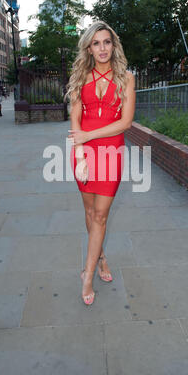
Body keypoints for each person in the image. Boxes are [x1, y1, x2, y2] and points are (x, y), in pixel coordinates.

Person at [67, 21, 136, 306]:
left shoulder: (127, 78)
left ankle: (88, 274)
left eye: (106, 42)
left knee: (101, 215)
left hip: (110, 151)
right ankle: (102, 258)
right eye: (96, 43)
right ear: (89, 48)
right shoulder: (80, 76)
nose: (102, 48)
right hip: (83, 151)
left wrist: (88, 135)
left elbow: (125, 122)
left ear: (113, 44)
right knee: (89, 210)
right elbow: (75, 116)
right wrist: (81, 151)